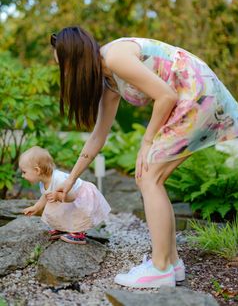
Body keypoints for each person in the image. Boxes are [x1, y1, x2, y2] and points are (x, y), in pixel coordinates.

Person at [50, 27, 238, 287]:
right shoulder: (108, 80)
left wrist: (146, 142)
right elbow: (97, 137)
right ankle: (171, 263)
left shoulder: (115, 57)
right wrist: (69, 181)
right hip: (192, 95)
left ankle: (161, 268)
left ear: (74, 58)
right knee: (152, 178)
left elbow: (166, 96)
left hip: (196, 93)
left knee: (148, 177)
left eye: (63, 65)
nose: (64, 73)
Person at [20, 146, 111, 244]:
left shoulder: (58, 179)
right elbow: (45, 196)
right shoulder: (43, 182)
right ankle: (63, 228)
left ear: (37, 170)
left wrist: (57, 196)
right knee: (59, 209)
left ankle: (78, 234)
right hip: (67, 198)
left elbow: (72, 196)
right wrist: (36, 207)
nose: (22, 175)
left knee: (76, 213)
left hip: (79, 195)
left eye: (24, 172)